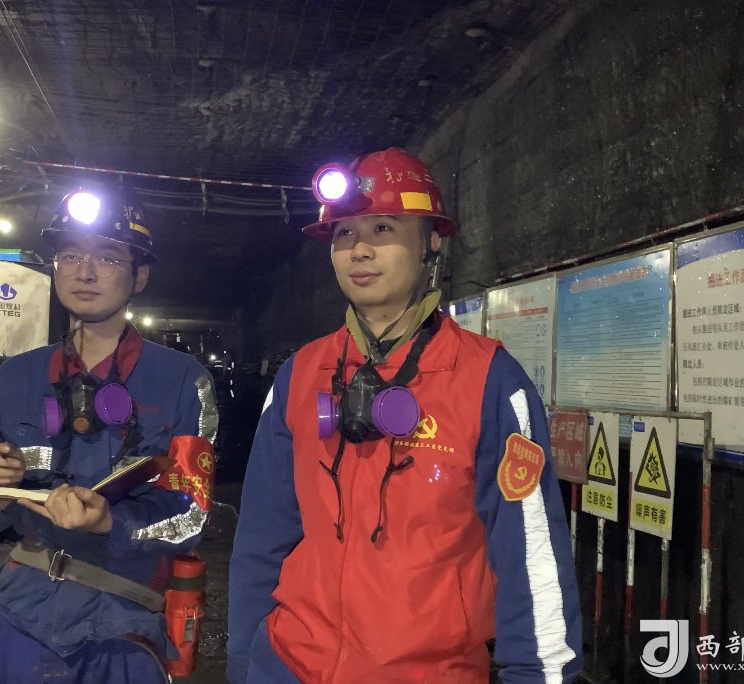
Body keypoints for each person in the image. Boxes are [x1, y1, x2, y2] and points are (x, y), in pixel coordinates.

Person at [227, 148, 582, 683]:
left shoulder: (489, 380)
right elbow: (262, 531)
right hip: (290, 664)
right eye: (343, 233)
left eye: (383, 228)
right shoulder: (300, 375)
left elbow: (530, 553)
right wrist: (244, 659)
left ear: (431, 241)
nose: (359, 249)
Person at [0, 188, 218, 683]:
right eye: (70, 255)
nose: (85, 272)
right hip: (23, 621)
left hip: (125, 625)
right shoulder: (11, 380)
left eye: (108, 256)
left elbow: (191, 518)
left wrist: (108, 523)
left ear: (140, 275)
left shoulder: (183, 381)